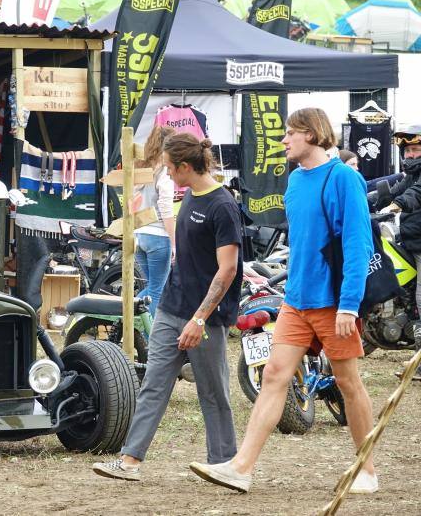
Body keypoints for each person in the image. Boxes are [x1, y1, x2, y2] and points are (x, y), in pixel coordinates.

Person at [190, 108, 378, 494]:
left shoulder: (344, 178)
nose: (285, 140)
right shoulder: (294, 182)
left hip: (331, 303)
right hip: (297, 300)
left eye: (291, 133)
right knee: (274, 375)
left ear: (311, 134)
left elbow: (359, 243)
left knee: (347, 382)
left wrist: (348, 304)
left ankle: (368, 470)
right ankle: (241, 467)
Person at [92, 133, 243, 481]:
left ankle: (224, 463)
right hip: (172, 309)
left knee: (213, 391)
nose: (168, 175)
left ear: (186, 167)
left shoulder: (222, 206)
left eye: (171, 168)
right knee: (154, 385)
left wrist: (199, 319)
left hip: (205, 319)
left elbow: (228, 269)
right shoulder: (188, 196)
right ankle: (130, 461)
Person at [377, 125, 421, 381]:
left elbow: (413, 195)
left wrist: (397, 205)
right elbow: (394, 192)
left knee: (420, 298)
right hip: (410, 241)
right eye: (409, 150)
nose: (412, 155)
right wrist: (366, 201)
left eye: (417, 149)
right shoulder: (410, 176)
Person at [134, 126, 176, 317]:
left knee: (152, 287)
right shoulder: (165, 173)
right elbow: (166, 212)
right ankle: (147, 333)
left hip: (139, 234)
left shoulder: (141, 167)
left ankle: (127, 315)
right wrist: (175, 243)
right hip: (158, 236)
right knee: (158, 290)